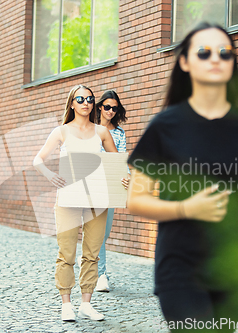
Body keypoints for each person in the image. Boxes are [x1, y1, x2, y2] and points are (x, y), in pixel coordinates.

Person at [126, 23, 238, 332]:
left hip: (235, 267)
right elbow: (135, 200)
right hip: (179, 267)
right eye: (203, 53)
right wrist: (185, 209)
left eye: (225, 53)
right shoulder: (164, 126)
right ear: (185, 62)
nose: (215, 59)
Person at [33, 85, 120, 322]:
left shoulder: (102, 132)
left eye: (90, 99)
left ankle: (86, 304)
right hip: (68, 199)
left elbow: (117, 162)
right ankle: (66, 304)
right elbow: (38, 159)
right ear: (72, 103)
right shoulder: (61, 131)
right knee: (67, 252)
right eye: (80, 99)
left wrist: (124, 176)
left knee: (92, 253)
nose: (86, 102)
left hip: (97, 199)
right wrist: (51, 176)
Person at [95, 90, 129, 292]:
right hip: (88, 184)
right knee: (94, 232)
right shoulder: (88, 129)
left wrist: (127, 177)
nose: (110, 111)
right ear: (100, 106)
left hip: (109, 186)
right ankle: (100, 275)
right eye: (107, 106)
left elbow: (120, 160)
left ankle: (96, 270)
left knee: (103, 233)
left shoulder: (119, 133)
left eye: (114, 108)